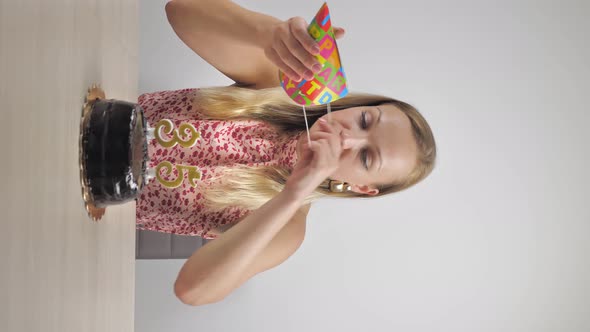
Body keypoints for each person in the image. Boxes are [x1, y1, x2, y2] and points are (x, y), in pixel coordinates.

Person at [136, 0, 437, 306]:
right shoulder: (270, 87)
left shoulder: (288, 228)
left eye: (366, 157)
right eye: (364, 120)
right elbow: (180, 11)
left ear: (361, 188)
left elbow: (192, 291)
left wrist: (293, 194)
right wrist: (269, 34)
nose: (349, 137)